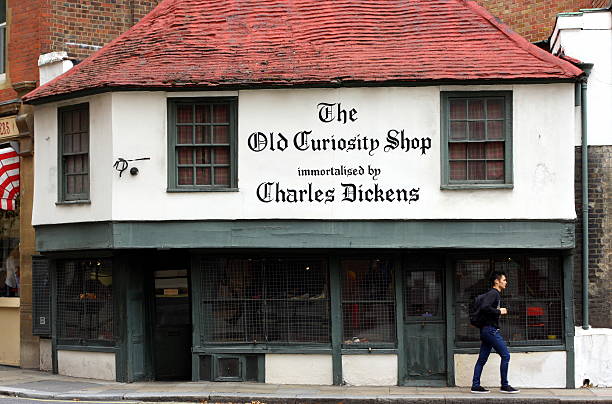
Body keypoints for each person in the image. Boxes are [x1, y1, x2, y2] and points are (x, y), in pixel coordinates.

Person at [470, 270, 520, 394]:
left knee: (482, 359)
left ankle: (475, 385)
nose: (506, 282)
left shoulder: (494, 294)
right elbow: (484, 307)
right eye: (504, 280)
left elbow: (486, 309)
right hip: (490, 331)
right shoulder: (494, 293)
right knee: (506, 355)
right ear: (496, 281)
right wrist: (499, 311)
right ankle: (504, 385)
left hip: (487, 330)